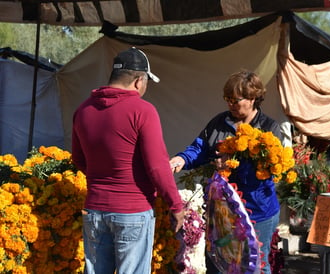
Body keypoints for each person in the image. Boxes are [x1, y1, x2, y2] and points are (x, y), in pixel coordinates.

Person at [72, 47, 184, 274]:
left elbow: (80, 160)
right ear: (138, 80)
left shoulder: (83, 111)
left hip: (94, 210)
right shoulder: (143, 111)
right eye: (146, 83)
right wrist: (176, 205)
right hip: (133, 210)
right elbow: (157, 166)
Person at [170, 70, 284, 274]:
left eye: (235, 100)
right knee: (218, 262)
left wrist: (233, 162)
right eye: (227, 99)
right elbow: (200, 148)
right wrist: (182, 159)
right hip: (222, 212)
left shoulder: (269, 128)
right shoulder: (219, 123)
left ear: (253, 98)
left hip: (257, 210)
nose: (230, 104)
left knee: (256, 264)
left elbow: (269, 171)